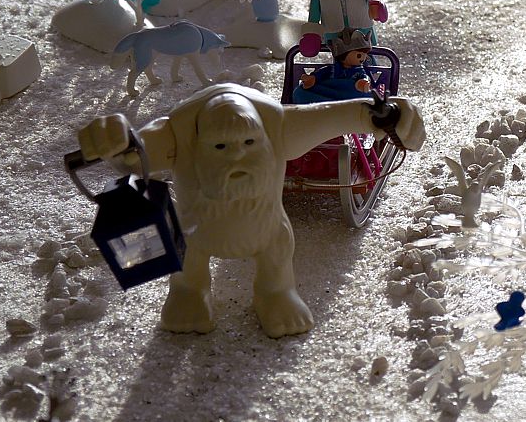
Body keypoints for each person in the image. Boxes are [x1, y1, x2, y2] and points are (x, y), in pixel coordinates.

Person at [76, 84, 426, 337]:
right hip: (196, 229)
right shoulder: (176, 134)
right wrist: (115, 140)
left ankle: (275, 292)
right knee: (188, 258)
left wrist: (388, 115)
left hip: (267, 228)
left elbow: (347, 115)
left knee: (276, 252)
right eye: (220, 146)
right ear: (199, 142)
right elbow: (133, 156)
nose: (237, 156)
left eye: (248, 142)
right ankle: (189, 290)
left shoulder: (280, 126)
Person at [293, 28, 373, 104]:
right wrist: (313, 78)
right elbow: (322, 73)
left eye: (365, 56)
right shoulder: (333, 69)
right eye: (359, 56)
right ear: (343, 55)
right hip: (330, 92)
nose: (362, 59)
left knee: (360, 93)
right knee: (300, 91)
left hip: (348, 95)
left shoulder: (358, 71)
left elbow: (364, 77)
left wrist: (363, 83)